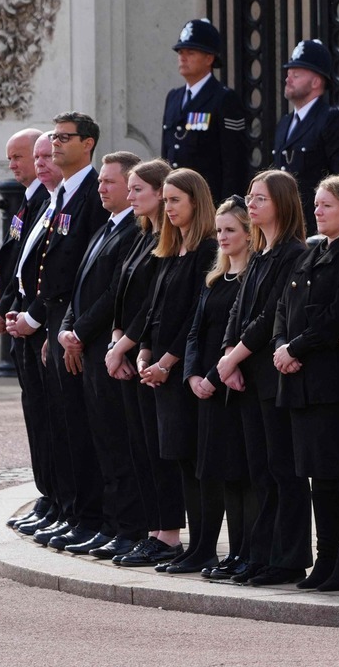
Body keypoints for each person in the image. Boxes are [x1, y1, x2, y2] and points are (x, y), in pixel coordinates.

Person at [6, 113, 107, 549]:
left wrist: (59, 322)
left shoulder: (91, 194)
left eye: (64, 139)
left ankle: (85, 514)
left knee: (77, 425)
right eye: (55, 139)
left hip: (70, 319)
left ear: (87, 144)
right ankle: (66, 507)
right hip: (53, 318)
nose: (55, 148)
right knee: (57, 421)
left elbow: (88, 270)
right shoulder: (59, 195)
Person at [275, 176, 339, 592]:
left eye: (327, 206)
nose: (317, 211)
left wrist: (296, 347)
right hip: (301, 381)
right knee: (317, 475)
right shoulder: (315, 251)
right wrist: (282, 344)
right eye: (315, 204)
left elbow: (337, 316)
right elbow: (285, 305)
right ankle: (326, 555)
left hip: (334, 382)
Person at [217, 169, 310, 585]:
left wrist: (234, 357)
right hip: (246, 375)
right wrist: (227, 355)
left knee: (281, 469)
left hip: (271, 376)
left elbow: (269, 314)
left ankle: (287, 557)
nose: (251, 205)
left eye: (260, 199)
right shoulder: (259, 253)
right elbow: (238, 311)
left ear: (282, 204)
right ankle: (262, 551)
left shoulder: (292, 252)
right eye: (250, 198)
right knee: (260, 470)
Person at [51, 150, 141, 555]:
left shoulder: (133, 232)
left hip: (108, 348)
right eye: (101, 181)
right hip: (87, 347)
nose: (101, 188)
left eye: (110, 182)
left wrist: (81, 333)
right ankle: (106, 522)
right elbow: (79, 286)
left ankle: (126, 527)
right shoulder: (104, 227)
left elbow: (112, 295)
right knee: (99, 441)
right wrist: (68, 329)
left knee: (117, 443)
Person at [134, 169, 219, 573]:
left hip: (184, 371)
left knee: (195, 460)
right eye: (164, 201)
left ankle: (204, 545)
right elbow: (155, 311)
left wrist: (167, 363)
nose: (166, 209)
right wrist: (144, 354)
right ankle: (190, 545)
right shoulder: (171, 249)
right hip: (160, 370)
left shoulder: (206, 249)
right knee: (176, 459)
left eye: (174, 201)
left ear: (195, 202)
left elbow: (193, 317)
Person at [93, 158, 172, 562]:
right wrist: (115, 338)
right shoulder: (143, 234)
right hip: (128, 349)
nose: (131, 195)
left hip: (149, 355)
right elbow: (123, 294)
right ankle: (152, 529)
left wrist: (124, 346)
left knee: (154, 449)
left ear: (160, 193)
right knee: (136, 446)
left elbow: (152, 305)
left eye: (139, 189)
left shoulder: (167, 240)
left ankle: (164, 533)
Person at [182, 196, 254, 577]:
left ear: (248, 233)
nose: (223, 237)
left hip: (231, 385)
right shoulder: (214, 279)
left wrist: (213, 376)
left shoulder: (250, 278)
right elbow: (195, 332)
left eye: (231, 230)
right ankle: (227, 552)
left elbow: (240, 333)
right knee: (219, 473)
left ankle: (245, 550)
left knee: (239, 472)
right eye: (219, 231)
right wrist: (193, 375)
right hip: (206, 388)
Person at [0, 128, 55, 534]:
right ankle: (50, 497)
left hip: (41, 324)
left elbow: (54, 272)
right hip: (21, 322)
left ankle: (62, 502)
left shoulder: (51, 204)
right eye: (13, 159)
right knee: (37, 417)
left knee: (54, 421)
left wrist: (31, 316)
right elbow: (12, 260)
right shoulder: (28, 204)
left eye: (24, 157)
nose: (18, 165)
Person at [272, 39, 339, 234]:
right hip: (284, 226)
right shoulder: (285, 123)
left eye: (296, 74)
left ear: (316, 82)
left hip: (315, 227)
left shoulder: (332, 120)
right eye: (288, 74)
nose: (288, 79)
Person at [161, 18, 249, 202]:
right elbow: (167, 154)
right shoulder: (173, 97)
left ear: (209, 58)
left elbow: (234, 162)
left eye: (190, 52)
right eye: (180, 52)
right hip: (175, 201)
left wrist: (229, 205)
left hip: (207, 201)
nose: (182, 57)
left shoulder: (223, 98)